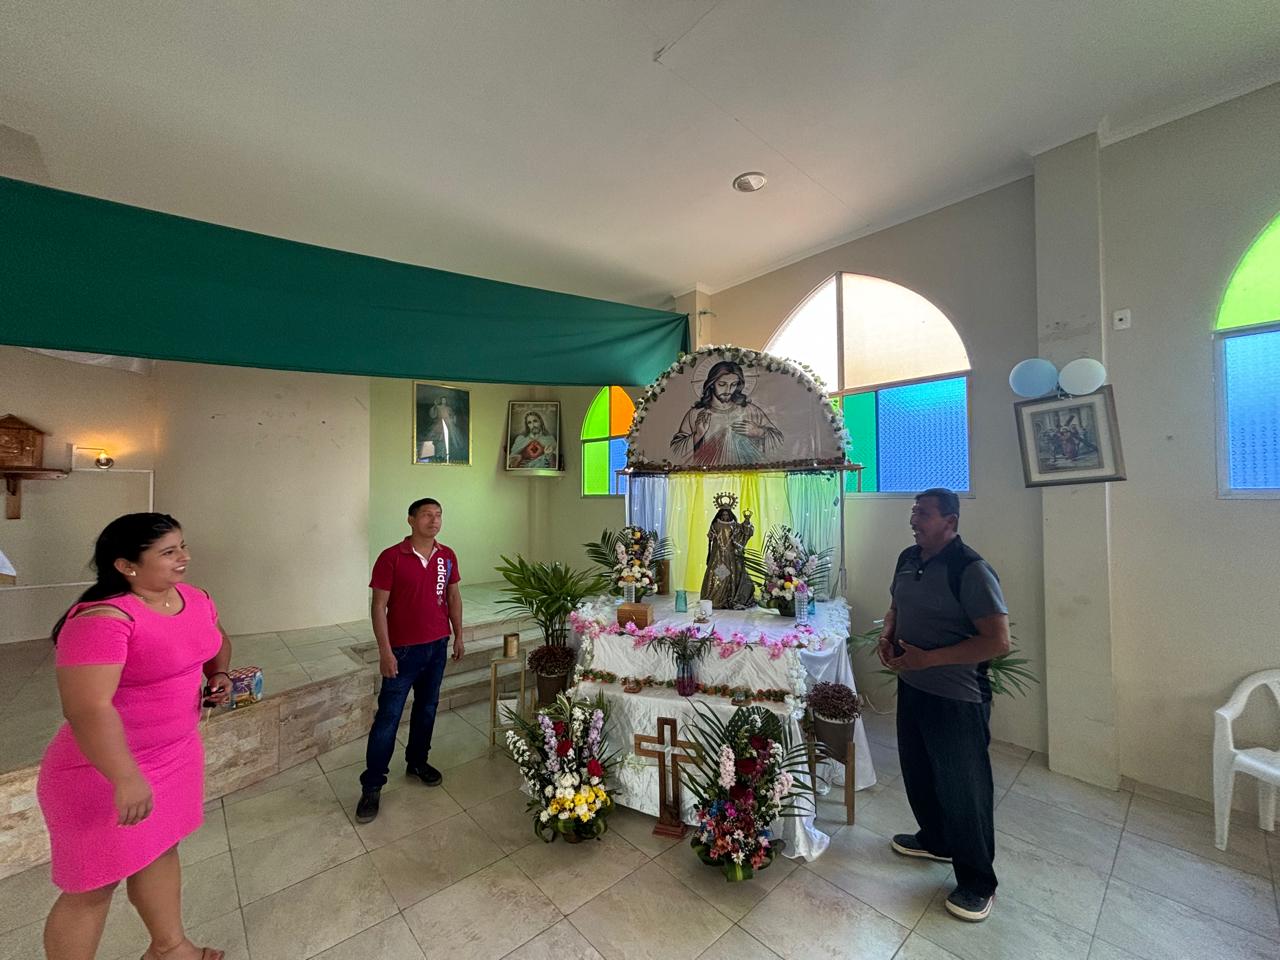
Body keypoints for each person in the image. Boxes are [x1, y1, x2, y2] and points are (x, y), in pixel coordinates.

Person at [38, 513, 232, 960]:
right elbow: (88, 708)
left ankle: (170, 948)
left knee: (161, 848)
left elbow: (215, 640)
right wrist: (124, 776)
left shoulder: (194, 597)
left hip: (176, 753)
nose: (184, 558)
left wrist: (218, 674)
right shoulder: (103, 620)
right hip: (102, 768)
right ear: (126, 565)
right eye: (168, 552)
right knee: (93, 883)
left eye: (182, 546)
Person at [876, 488, 1009, 922]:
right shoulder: (907, 558)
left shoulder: (970, 569)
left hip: (957, 698)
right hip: (913, 687)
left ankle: (978, 882)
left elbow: (997, 641)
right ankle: (936, 840)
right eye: (913, 512)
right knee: (918, 772)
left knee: (963, 788)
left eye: (924, 514)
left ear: (950, 521)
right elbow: (896, 605)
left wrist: (929, 660)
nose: (914, 520)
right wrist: (887, 635)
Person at [356, 497, 464, 822]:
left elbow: (453, 596)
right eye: (427, 515)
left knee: (427, 708)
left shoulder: (447, 556)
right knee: (388, 718)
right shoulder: (391, 557)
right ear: (411, 520)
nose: (434, 520)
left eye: (438, 515)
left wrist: (458, 635)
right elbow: (378, 606)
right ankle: (372, 785)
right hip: (402, 652)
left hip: (437, 646)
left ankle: (417, 762)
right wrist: (385, 651)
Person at [671, 360, 783, 465]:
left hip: (745, 476)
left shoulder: (750, 410)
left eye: (733, 384)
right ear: (711, 384)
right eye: (722, 384)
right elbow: (675, 451)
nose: (728, 390)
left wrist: (759, 432)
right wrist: (698, 435)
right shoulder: (696, 414)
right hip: (708, 476)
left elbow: (779, 441)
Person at [699, 494, 755, 609]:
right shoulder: (715, 525)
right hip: (718, 556)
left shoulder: (734, 525)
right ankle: (718, 597)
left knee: (732, 576)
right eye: (723, 514)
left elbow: (745, 531)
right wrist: (711, 536)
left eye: (727, 514)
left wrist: (747, 520)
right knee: (720, 576)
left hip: (731, 556)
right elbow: (711, 535)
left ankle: (730, 596)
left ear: (730, 514)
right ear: (720, 515)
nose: (725, 516)